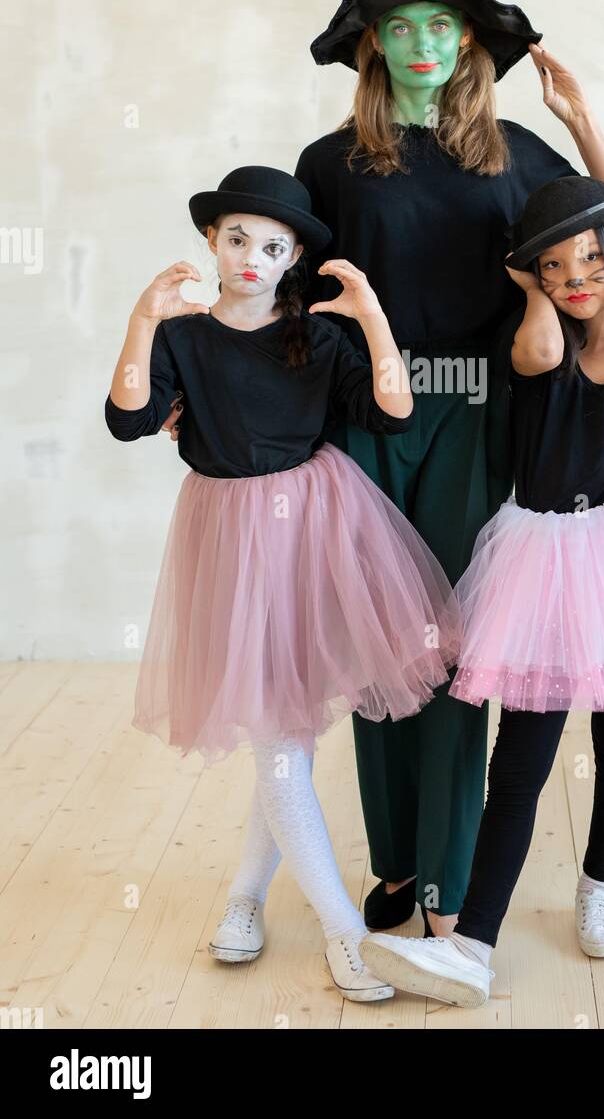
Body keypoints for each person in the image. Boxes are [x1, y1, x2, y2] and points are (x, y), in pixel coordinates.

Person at [293, 0, 604, 938]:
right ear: (375, 45)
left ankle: (446, 887)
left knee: (450, 650)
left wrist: (583, 120)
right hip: (365, 418)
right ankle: (393, 870)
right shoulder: (327, 163)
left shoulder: (516, 155)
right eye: (401, 26)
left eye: (441, 22)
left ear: (466, 40)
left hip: (480, 417)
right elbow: (288, 299)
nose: (423, 40)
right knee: (374, 647)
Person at [359, 175, 604, 1007]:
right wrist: (527, 283)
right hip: (538, 562)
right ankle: (473, 945)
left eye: (590, 258)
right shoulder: (541, 353)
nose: (575, 275)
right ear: (534, 279)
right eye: (554, 265)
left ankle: (598, 885)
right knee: (520, 766)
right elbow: (539, 349)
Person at [103, 165, 461, 1003]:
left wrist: (372, 320)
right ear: (211, 242)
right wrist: (140, 319)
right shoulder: (186, 335)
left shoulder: (316, 335)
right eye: (236, 239)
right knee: (278, 738)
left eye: (272, 246)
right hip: (227, 533)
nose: (252, 257)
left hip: (312, 527)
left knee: (282, 734)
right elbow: (126, 419)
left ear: (294, 253)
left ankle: (245, 899)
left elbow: (394, 412)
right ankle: (344, 932)